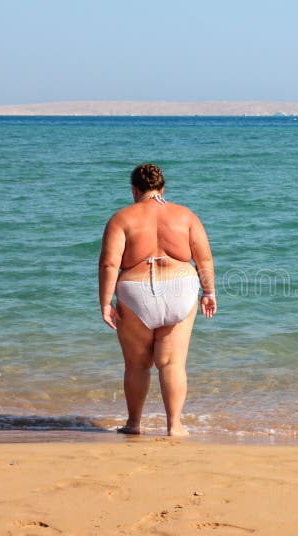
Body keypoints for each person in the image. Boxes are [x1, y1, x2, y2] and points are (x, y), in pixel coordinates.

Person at [98, 163, 216, 436]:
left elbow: (108, 265)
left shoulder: (121, 218)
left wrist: (105, 302)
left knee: (137, 365)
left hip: (135, 292)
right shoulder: (185, 215)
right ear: (162, 188)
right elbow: (204, 259)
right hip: (180, 288)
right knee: (172, 363)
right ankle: (174, 426)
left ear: (134, 190)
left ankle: (134, 424)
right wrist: (209, 292)